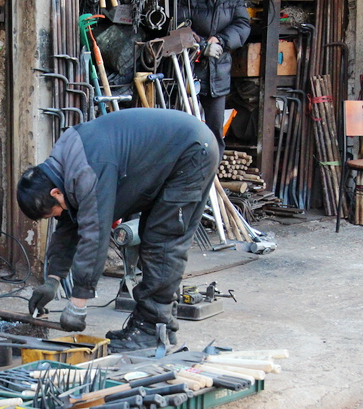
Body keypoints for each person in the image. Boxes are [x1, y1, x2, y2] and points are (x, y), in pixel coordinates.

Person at [17, 108, 219, 351]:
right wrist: (53, 279)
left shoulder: (87, 170)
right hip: (174, 153)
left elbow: (95, 236)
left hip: (191, 152)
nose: (58, 216)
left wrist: (77, 304)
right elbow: (70, 224)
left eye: (53, 213)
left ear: (55, 193)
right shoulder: (63, 168)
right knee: (153, 236)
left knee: (162, 241)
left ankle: (150, 330)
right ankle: (154, 321)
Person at [178, 0, 251, 152]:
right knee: (182, 128)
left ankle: (211, 171)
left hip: (218, 72)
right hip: (187, 69)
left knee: (215, 132)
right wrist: (202, 46)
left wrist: (221, 40)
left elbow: (242, 24)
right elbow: (178, 26)